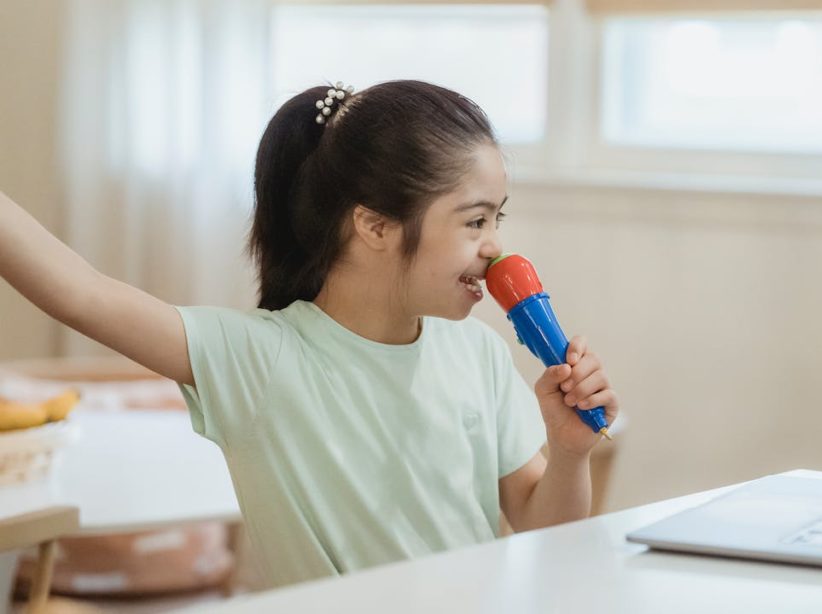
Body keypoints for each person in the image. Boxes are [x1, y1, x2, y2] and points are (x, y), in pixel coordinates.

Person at [0, 79, 619, 587]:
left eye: (497, 218)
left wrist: (568, 452)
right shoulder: (258, 359)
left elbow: (545, 532)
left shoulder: (477, 355)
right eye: (474, 220)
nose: (495, 246)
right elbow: (81, 294)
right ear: (375, 226)